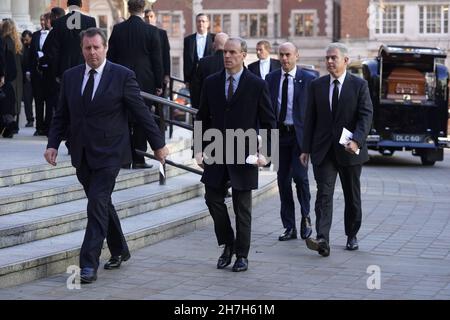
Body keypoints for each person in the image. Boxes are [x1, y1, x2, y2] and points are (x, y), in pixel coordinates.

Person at [44, 28, 169, 283]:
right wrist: (53, 143)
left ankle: (88, 264)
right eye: (87, 48)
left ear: (106, 48)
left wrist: (158, 145)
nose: (92, 53)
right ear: (82, 49)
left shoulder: (122, 76)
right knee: (101, 203)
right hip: (81, 152)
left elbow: (141, 113)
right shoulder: (70, 77)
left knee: (96, 203)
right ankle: (120, 249)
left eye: (96, 48)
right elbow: (61, 115)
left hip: (111, 153)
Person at [195, 38, 276, 272]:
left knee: (243, 207)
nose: (227, 56)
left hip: (245, 151)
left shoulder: (257, 85)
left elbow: (270, 123)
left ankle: (242, 255)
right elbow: (201, 117)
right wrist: (198, 150)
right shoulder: (211, 82)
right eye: (224, 52)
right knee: (212, 198)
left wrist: (268, 155)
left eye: (232, 52)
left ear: (243, 55)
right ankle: (228, 243)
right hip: (216, 150)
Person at [300, 43, 373, 257]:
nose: (329, 61)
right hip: (323, 150)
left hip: (349, 150)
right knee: (323, 194)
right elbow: (310, 119)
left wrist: (357, 141)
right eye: (327, 58)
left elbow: (366, 116)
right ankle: (322, 239)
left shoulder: (359, 86)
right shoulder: (317, 85)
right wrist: (305, 149)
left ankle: (352, 234)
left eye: (334, 58)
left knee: (352, 196)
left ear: (346, 61)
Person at [265, 42, 317, 242]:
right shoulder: (271, 79)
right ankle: (289, 226)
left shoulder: (309, 80)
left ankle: (305, 218)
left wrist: (310, 143)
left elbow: (314, 113)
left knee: (301, 178)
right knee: (283, 181)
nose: (284, 59)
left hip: (300, 137)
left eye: (288, 55)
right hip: (280, 136)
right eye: (281, 55)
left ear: (297, 55)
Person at [108, 0, 163, 170]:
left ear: (129, 9)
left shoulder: (118, 29)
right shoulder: (152, 31)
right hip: (145, 81)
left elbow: (111, 57)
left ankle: (124, 159)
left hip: (120, 79)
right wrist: (159, 83)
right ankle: (139, 158)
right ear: (143, 9)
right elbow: (157, 61)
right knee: (141, 118)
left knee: (122, 118)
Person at [190, 32, 228, 110]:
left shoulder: (203, 62)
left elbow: (196, 88)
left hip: (205, 109)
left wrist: (195, 108)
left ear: (214, 45)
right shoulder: (233, 63)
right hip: (225, 112)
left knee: (198, 122)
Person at [183, 13, 215, 88]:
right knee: (195, 99)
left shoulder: (215, 38)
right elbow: (186, 59)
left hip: (210, 77)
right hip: (193, 79)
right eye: (198, 21)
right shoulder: (188, 40)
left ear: (208, 23)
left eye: (203, 21)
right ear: (196, 23)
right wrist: (186, 80)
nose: (201, 23)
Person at [144, 8, 170, 92]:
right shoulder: (141, 33)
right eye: (147, 17)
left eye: (151, 16)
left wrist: (167, 74)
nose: (149, 19)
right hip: (146, 73)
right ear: (144, 19)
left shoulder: (162, 34)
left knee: (160, 102)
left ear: (155, 18)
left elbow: (166, 54)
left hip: (160, 73)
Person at [21, 30, 34, 128]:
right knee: (27, 100)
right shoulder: (22, 48)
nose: (25, 42)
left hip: (35, 77)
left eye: (27, 40)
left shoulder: (34, 47)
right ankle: (30, 119)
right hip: (26, 79)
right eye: (24, 40)